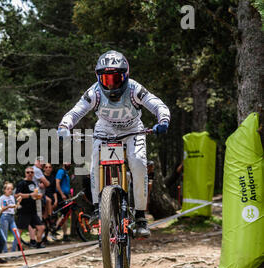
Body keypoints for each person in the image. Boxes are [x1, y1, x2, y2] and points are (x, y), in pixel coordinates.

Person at [57, 50, 171, 238]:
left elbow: (157, 104)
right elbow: (75, 112)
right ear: (98, 78)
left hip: (133, 130)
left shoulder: (134, 89)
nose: (111, 84)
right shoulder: (94, 92)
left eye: (116, 79)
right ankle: (96, 209)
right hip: (105, 131)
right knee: (94, 166)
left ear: (125, 75)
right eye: (106, 80)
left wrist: (163, 121)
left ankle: (141, 217)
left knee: (139, 163)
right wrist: (64, 126)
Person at [14, 167, 46, 249]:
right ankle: (17, 247)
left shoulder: (33, 183)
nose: (30, 174)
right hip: (24, 211)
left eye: (32, 172)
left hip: (33, 211)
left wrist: (38, 197)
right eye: (28, 172)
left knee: (41, 228)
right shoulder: (22, 183)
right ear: (25, 173)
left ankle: (38, 244)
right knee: (20, 230)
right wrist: (29, 195)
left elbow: (33, 196)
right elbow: (17, 195)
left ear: (34, 174)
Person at [0, 182, 21, 253]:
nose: (10, 190)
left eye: (11, 189)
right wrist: (8, 206)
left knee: (17, 236)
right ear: (4, 190)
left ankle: (13, 252)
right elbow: (0, 210)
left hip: (12, 217)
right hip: (4, 217)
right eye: (8, 189)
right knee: (4, 237)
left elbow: (14, 208)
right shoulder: (2, 198)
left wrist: (19, 202)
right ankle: (5, 253)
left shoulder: (12, 197)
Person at [55, 162, 72, 241]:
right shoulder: (61, 171)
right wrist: (62, 194)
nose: (69, 164)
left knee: (65, 216)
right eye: (67, 162)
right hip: (61, 196)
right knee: (63, 214)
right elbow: (57, 183)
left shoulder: (66, 173)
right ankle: (54, 230)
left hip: (66, 195)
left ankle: (65, 235)